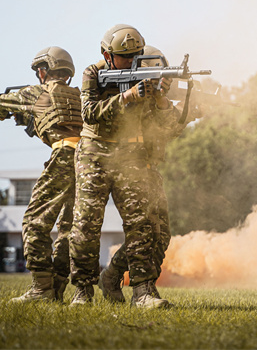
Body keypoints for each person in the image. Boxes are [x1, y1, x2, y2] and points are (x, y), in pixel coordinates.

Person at [69, 25, 182, 309]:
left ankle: (143, 292)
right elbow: (89, 113)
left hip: (131, 154)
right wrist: (127, 96)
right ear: (107, 55)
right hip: (95, 154)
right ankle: (82, 291)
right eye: (125, 56)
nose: (132, 61)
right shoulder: (92, 74)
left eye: (137, 55)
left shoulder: (149, 72)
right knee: (85, 226)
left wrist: (159, 98)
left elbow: (169, 127)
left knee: (142, 225)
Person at [98, 45, 188, 304]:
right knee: (143, 231)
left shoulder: (156, 100)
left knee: (161, 235)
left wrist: (162, 99)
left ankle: (113, 275)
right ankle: (143, 291)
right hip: (129, 168)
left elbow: (171, 129)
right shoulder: (126, 95)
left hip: (150, 170)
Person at [0, 47, 82, 302]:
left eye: (39, 70)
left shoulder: (38, 92)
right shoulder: (78, 96)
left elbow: (1, 104)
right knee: (67, 228)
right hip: (85, 160)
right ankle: (56, 290)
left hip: (63, 156)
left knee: (34, 221)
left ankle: (42, 289)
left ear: (45, 70)